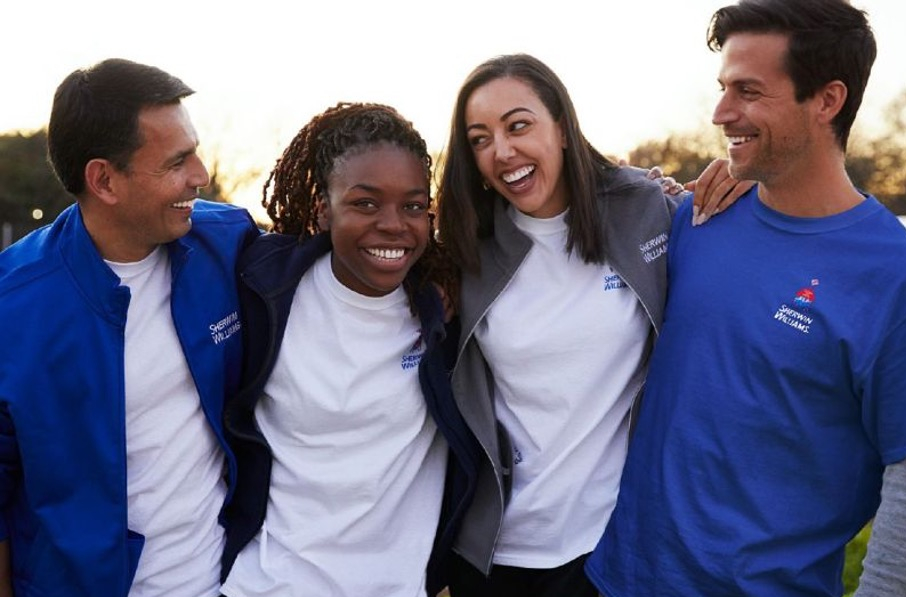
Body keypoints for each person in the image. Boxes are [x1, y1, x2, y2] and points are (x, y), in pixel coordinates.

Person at [585, 1, 906, 596]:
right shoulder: (697, 220)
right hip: (617, 579)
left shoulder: (892, 274)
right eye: (723, 87)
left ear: (827, 101)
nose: (720, 112)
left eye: (748, 92)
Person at [434, 52, 745, 597]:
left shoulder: (645, 210)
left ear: (561, 124)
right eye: (480, 139)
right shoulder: (465, 251)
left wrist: (746, 184)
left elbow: (756, 245)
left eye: (518, 125)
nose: (502, 152)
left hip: (615, 547)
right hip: (494, 554)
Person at [0, 59, 259, 597]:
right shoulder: (13, 307)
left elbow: (339, 262)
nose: (201, 175)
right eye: (177, 161)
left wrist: (434, 280)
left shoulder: (230, 244)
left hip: (224, 583)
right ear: (104, 180)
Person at [218, 102, 481, 597]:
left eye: (412, 205)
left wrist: (630, 191)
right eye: (365, 203)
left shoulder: (443, 307)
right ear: (323, 209)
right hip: (268, 585)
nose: (393, 224)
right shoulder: (261, 291)